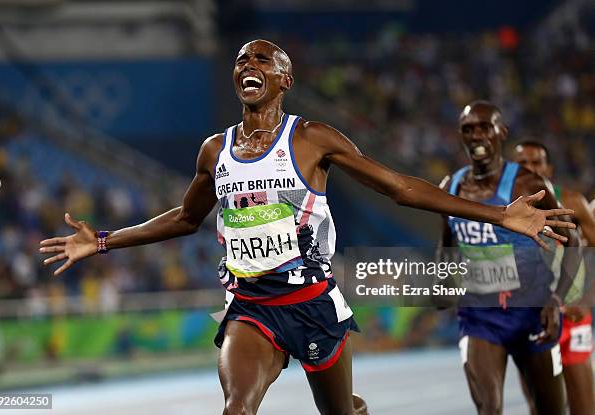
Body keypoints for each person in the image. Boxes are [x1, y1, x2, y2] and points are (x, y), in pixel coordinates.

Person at [40, 41, 575, 415]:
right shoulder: (214, 151)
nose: (249, 63)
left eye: (263, 59)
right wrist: (105, 240)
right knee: (236, 407)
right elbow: (184, 218)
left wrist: (502, 215)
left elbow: (400, 188)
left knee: (341, 410)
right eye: (241, 57)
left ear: (283, 79)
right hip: (250, 308)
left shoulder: (312, 139)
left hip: (315, 304)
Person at [437, 101, 580, 415]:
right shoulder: (452, 187)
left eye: (484, 127)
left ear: (501, 132)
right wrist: (441, 284)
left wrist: (556, 299)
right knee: (489, 408)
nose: (476, 136)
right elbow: (447, 246)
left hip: (532, 314)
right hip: (480, 317)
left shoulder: (528, 184)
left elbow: (574, 242)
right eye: (468, 129)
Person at [514, 141, 595, 415]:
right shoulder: (505, 211)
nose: (531, 169)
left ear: (548, 167)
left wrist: (584, 296)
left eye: (536, 163)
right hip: (531, 320)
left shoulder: (572, 202)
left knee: (584, 409)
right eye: (523, 163)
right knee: (543, 409)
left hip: (573, 318)